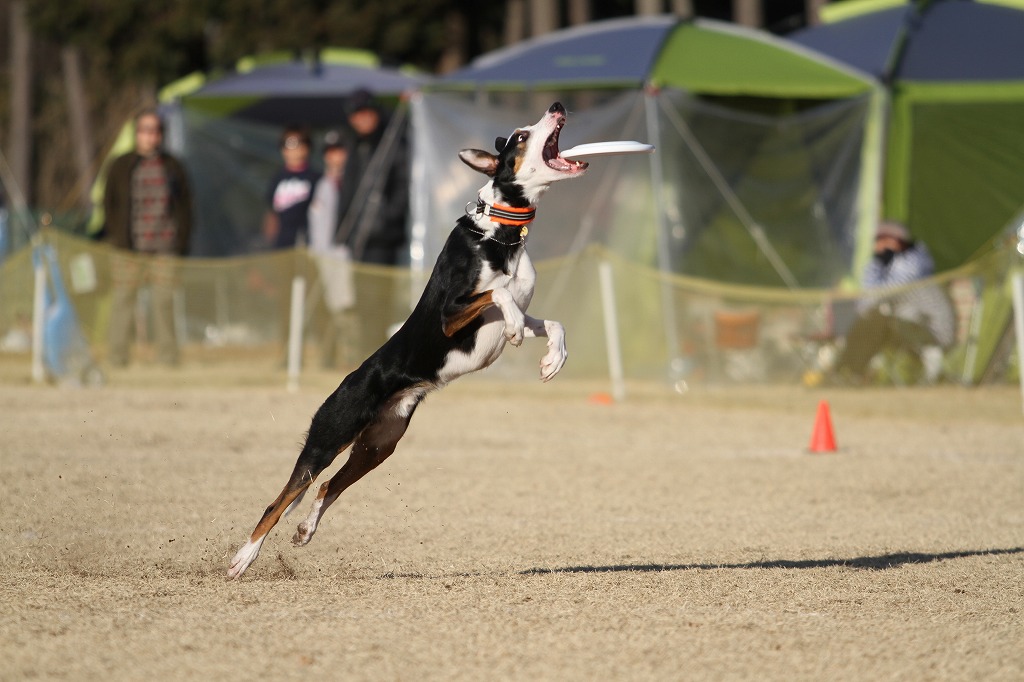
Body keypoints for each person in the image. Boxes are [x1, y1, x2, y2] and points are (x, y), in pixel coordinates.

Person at [103, 108, 193, 367]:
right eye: (145, 130)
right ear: (136, 133)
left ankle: (168, 359)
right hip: (127, 248)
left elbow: (185, 206)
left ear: (161, 134)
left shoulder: (173, 166)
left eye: (155, 130)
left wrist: (181, 241)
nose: (150, 136)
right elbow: (110, 203)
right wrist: (116, 236)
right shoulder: (121, 165)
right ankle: (117, 358)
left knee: (163, 305)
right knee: (122, 303)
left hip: (165, 247)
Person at [832, 221, 955, 383]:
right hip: (909, 325)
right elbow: (866, 300)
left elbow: (880, 295)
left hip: (933, 332)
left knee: (876, 318)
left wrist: (867, 311)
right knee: (872, 319)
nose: (878, 245)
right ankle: (846, 369)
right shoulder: (884, 264)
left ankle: (848, 371)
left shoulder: (913, 261)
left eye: (883, 240)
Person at [334, 88, 410, 349]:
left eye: (365, 112)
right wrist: (343, 228)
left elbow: (402, 186)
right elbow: (348, 190)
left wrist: (389, 220)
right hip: (358, 237)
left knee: (379, 300)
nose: (361, 119)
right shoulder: (354, 145)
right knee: (361, 299)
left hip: (383, 238)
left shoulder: (392, 142)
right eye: (356, 114)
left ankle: (377, 350)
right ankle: (365, 350)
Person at [308, 131, 355, 368]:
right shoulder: (323, 184)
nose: (335, 156)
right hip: (324, 259)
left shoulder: (353, 181)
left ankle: (350, 357)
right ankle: (329, 357)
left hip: (346, 257)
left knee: (346, 311)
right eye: (330, 152)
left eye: (340, 150)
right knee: (327, 311)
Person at [263, 125, 319, 250]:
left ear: (307, 147)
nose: (292, 149)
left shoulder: (315, 179)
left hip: (307, 245)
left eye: (297, 143)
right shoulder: (277, 179)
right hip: (282, 245)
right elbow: (271, 214)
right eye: (286, 144)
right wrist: (267, 243)